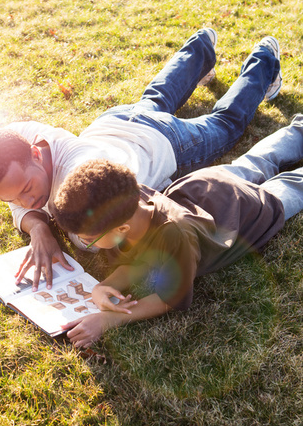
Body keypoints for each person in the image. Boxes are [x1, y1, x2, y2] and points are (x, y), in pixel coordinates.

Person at [0, 29, 282, 290]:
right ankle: (201, 45)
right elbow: (18, 196)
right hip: (116, 122)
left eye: (26, 189)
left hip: (163, 143)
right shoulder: (24, 138)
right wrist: (38, 227)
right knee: (155, 97)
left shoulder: (79, 184)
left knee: (226, 124)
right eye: (12, 199)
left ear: (36, 154)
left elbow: (89, 238)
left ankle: (265, 60)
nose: (25, 203)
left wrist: (42, 225)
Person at [51, 114, 303, 348]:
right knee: (257, 160)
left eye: (88, 239)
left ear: (122, 228)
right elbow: (139, 262)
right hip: (212, 184)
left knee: (291, 184)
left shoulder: (175, 234)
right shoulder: (127, 200)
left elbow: (167, 299)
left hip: (252, 211)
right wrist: (101, 287)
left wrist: (108, 320)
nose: (87, 244)